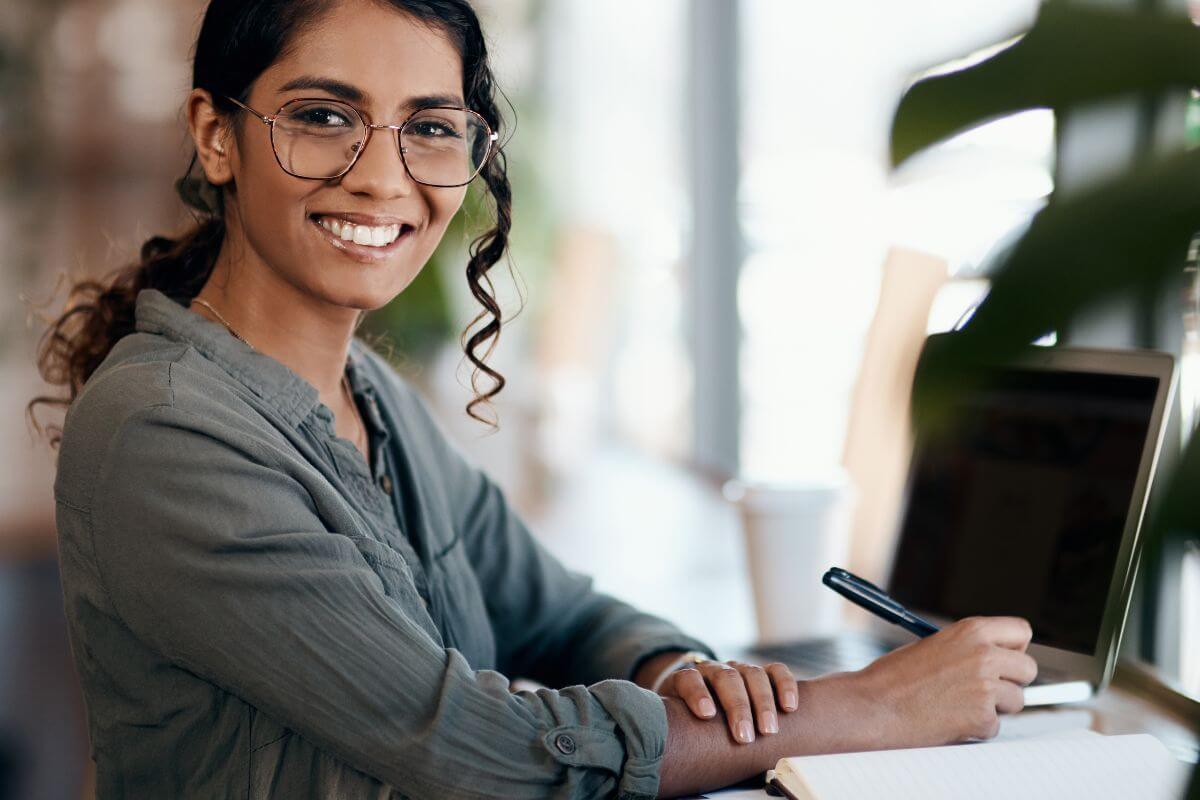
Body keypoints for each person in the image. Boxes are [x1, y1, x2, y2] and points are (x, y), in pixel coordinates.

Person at [30, 1, 1038, 797]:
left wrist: (681, 669)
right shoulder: (167, 432)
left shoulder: (366, 394)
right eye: (324, 116)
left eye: (430, 128)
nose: (383, 176)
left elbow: (558, 611)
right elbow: (482, 753)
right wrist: (864, 706)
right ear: (216, 135)